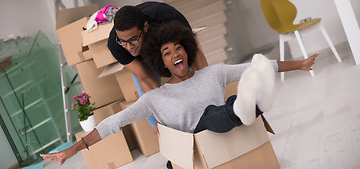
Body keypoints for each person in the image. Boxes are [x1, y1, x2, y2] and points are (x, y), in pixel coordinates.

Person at [41, 21, 318, 166]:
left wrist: (301, 65)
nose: (175, 54)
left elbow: (258, 67)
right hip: (197, 144)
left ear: (187, 50)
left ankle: (249, 105)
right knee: (210, 118)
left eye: (178, 48)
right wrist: (74, 149)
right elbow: (114, 123)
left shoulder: (213, 74)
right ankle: (246, 107)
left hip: (225, 128)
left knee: (223, 109)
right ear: (162, 63)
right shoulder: (154, 98)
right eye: (167, 52)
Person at [108, 1, 208, 130]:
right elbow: (145, 79)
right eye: (123, 41)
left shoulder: (166, 17)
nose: (129, 47)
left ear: (145, 27)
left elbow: (195, 57)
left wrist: (207, 92)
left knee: (197, 82)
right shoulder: (116, 44)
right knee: (148, 100)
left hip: (170, 42)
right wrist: (163, 119)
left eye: (133, 39)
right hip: (142, 57)